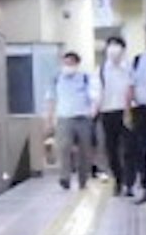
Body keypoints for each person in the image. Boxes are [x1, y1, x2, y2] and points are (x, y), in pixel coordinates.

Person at [120, 27, 146, 199]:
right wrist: (127, 111)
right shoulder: (138, 60)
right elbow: (130, 87)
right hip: (143, 109)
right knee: (140, 149)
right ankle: (144, 185)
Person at [51, 48, 98, 187]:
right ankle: (64, 176)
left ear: (77, 64)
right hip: (64, 118)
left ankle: (83, 179)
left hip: (83, 118)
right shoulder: (57, 78)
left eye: (71, 63)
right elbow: (51, 98)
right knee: (63, 147)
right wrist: (49, 117)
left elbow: (93, 97)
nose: (67, 66)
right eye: (65, 63)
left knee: (85, 150)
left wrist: (92, 112)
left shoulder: (85, 78)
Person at [95, 32, 135, 197]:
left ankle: (130, 182)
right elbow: (96, 92)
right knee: (111, 149)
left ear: (123, 50)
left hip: (127, 111)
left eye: (117, 46)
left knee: (128, 149)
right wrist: (95, 109)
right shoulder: (101, 70)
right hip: (108, 112)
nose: (113, 51)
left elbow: (133, 88)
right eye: (110, 46)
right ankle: (119, 180)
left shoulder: (130, 68)